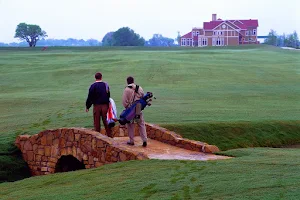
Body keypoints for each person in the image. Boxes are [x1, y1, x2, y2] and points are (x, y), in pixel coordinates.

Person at [122, 76, 147, 147]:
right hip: (138, 108)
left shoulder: (126, 89)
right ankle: (144, 140)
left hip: (130, 109)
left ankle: (131, 140)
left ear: (127, 82)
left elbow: (124, 101)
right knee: (141, 124)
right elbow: (142, 98)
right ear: (133, 81)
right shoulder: (139, 88)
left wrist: (127, 108)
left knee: (130, 125)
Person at [86, 72, 112, 137]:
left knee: (97, 122)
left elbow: (90, 97)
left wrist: (87, 106)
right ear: (101, 77)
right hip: (105, 106)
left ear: (95, 78)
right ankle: (110, 136)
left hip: (97, 106)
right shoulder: (106, 85)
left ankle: (98, 137)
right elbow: (108, 95)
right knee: (106, 121)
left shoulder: (93, 86)